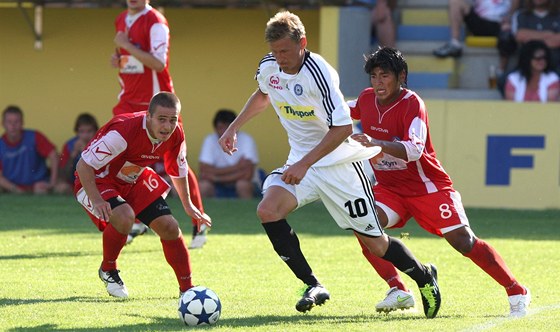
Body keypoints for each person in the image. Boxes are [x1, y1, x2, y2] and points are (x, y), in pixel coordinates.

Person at [218, 11, 441, 318]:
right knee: (268, 210)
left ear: (302, 43)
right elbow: (263, 94)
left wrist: (306, 164)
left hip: (339, 164)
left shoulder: (320, 74)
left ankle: (423, 276)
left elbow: (343, 129)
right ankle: (312, 284)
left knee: (375, 244)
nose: (279, 58)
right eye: (274, 51)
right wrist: (234, 127)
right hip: (301, 161)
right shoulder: (269, 66)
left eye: (285, 51)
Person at [349, 46, 531, 317]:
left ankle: (517, 290)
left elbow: (414, 150)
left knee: (463, 241)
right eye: (373, 76)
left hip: (427, 187)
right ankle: (398, 289)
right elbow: (339, 114)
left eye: (384, 75)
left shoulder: (412, 104)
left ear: (401, 76)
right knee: (364, 224)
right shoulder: (365, 99)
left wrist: (374, 143)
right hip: (389, 188)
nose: (378, 82)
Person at [74, 92, 212, 299]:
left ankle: (188, 291)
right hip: (97, 179)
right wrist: (97, 199)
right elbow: (83, 165)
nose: (167, 126)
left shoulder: (176, 134)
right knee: (124, 216)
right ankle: (108, 269)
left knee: (170, 227)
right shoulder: (123, 132)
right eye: (162, 119)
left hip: (132, 177)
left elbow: (178, 170)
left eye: (173, 119)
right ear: (148, 116)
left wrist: (189, 205)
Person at [110, 0, 207, 249]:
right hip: (127, 102)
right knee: (122, 160)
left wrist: (125, 45)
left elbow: (158, 64)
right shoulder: (122, 19)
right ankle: (139, 216)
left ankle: (198, 222)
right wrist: (119, 59)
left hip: (156, 106)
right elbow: (130, 61)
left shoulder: (156, 22)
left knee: (176, 161)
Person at [199, 109, 259, 199]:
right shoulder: (209, 140)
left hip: (239, 182)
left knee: (243, 185)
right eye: (220, 128)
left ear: (235, 128)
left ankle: (247, 212)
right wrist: (237, 167)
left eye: (227, 128)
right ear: (215, 128)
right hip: (216, 184)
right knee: (203, 186)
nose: (224, 132)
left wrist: (215, 176)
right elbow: (204, 171)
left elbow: (247, 174)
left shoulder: (247, 139)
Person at [0, 105, 59, 194]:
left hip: (38, 186)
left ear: (22, 122)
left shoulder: (34, 136)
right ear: (3, 124)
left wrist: (52, 182)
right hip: (12, 187)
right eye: (9, 122)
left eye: (16, 121)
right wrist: (16, 190)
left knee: (61, 188)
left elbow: (54, 155)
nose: (13, 125)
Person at [433, 0, 519, 58]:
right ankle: (454, 43)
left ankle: (501, 72)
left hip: (501, 22)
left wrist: (509, 17)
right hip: (480, 21)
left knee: (508, 34)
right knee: (455, 2)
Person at [54, 113, 99, 194]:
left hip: (97, 184)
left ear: (96, 131)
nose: (85, 136)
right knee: (60, 187)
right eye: (81, 131)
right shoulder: (69, 145)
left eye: (89, 131)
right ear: (76, 132)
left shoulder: (100, 143)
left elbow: (102, 171)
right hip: (74, 184)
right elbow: (64, 175)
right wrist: (72, 155)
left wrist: (86, 153)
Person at [511, 0, 560, 70]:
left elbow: (558, 41)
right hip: (527, 67)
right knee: (504, 79)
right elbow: (520, 36)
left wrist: (531, 38)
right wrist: (548, 34)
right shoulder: (520, 15)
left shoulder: (558, 15)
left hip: (555, 64)